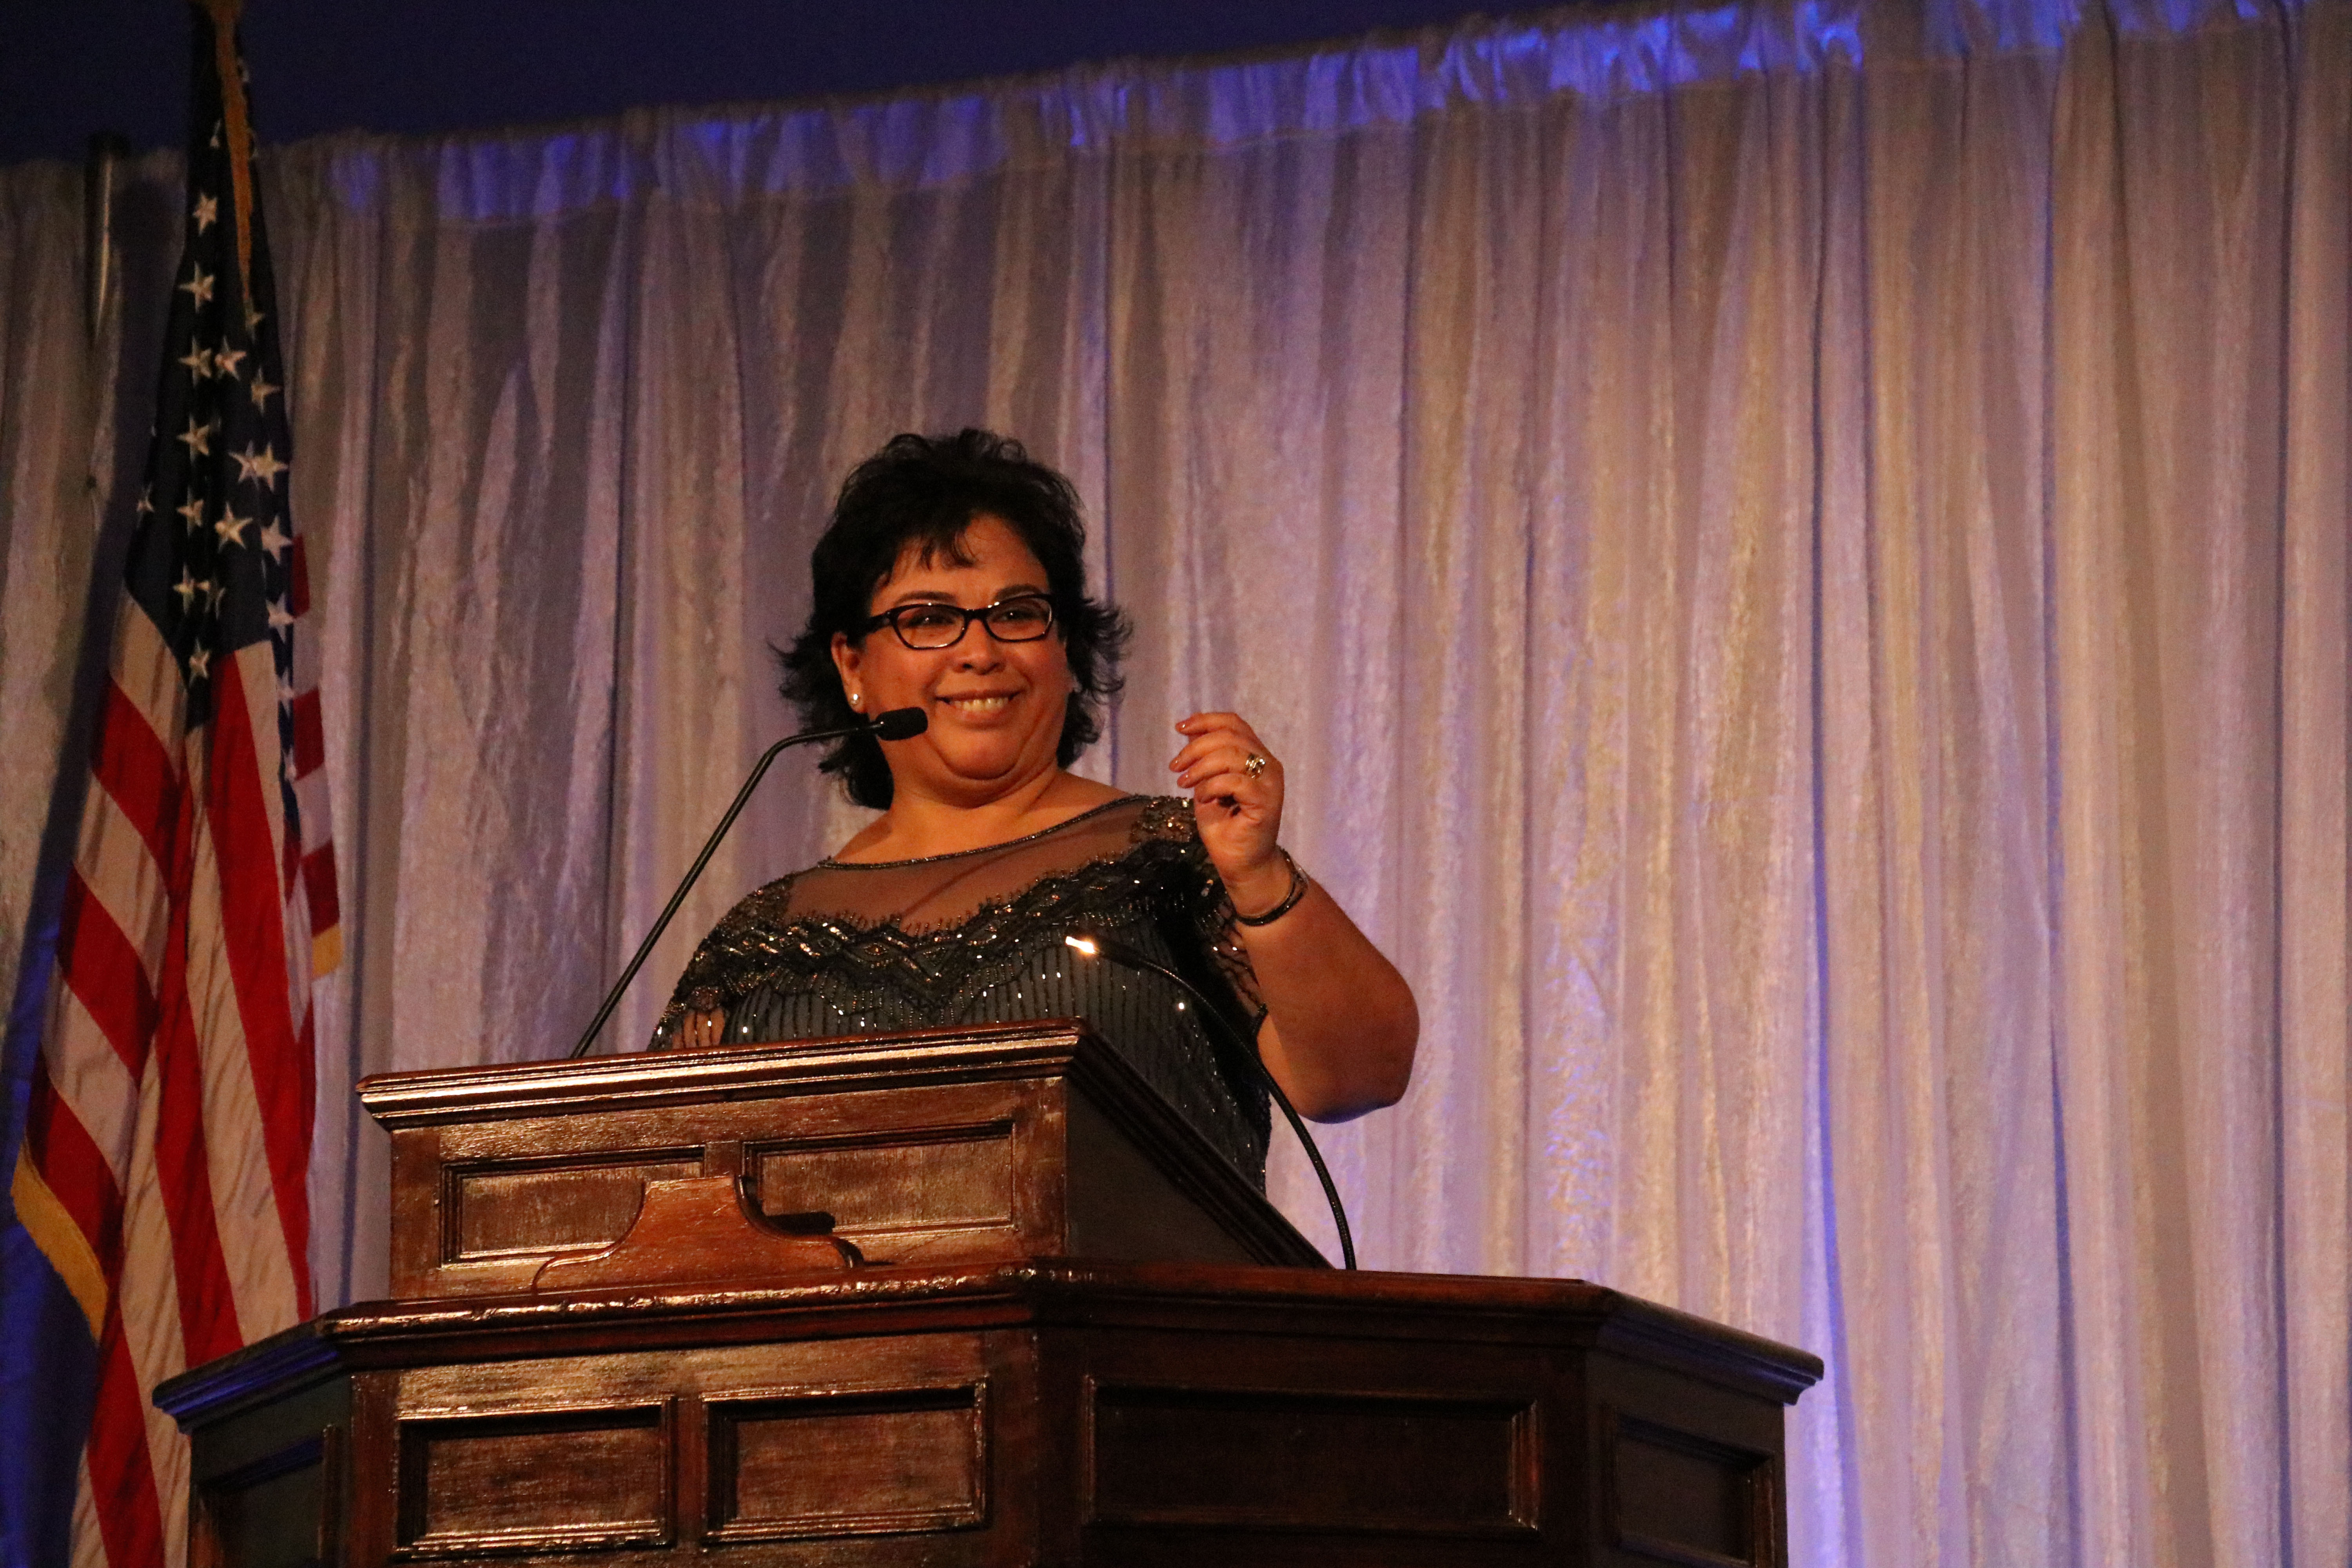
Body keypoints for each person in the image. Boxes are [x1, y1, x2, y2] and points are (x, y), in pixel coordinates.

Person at [655, 429, 1416, 1187]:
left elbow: (1359, 1075)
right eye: (927, 618)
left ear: (1065, 651)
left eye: (1016, 612)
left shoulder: (1174, 858)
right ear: (853, 666)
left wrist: (1258, 875)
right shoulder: (761, 940)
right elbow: (655, 1176)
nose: (979, 651)